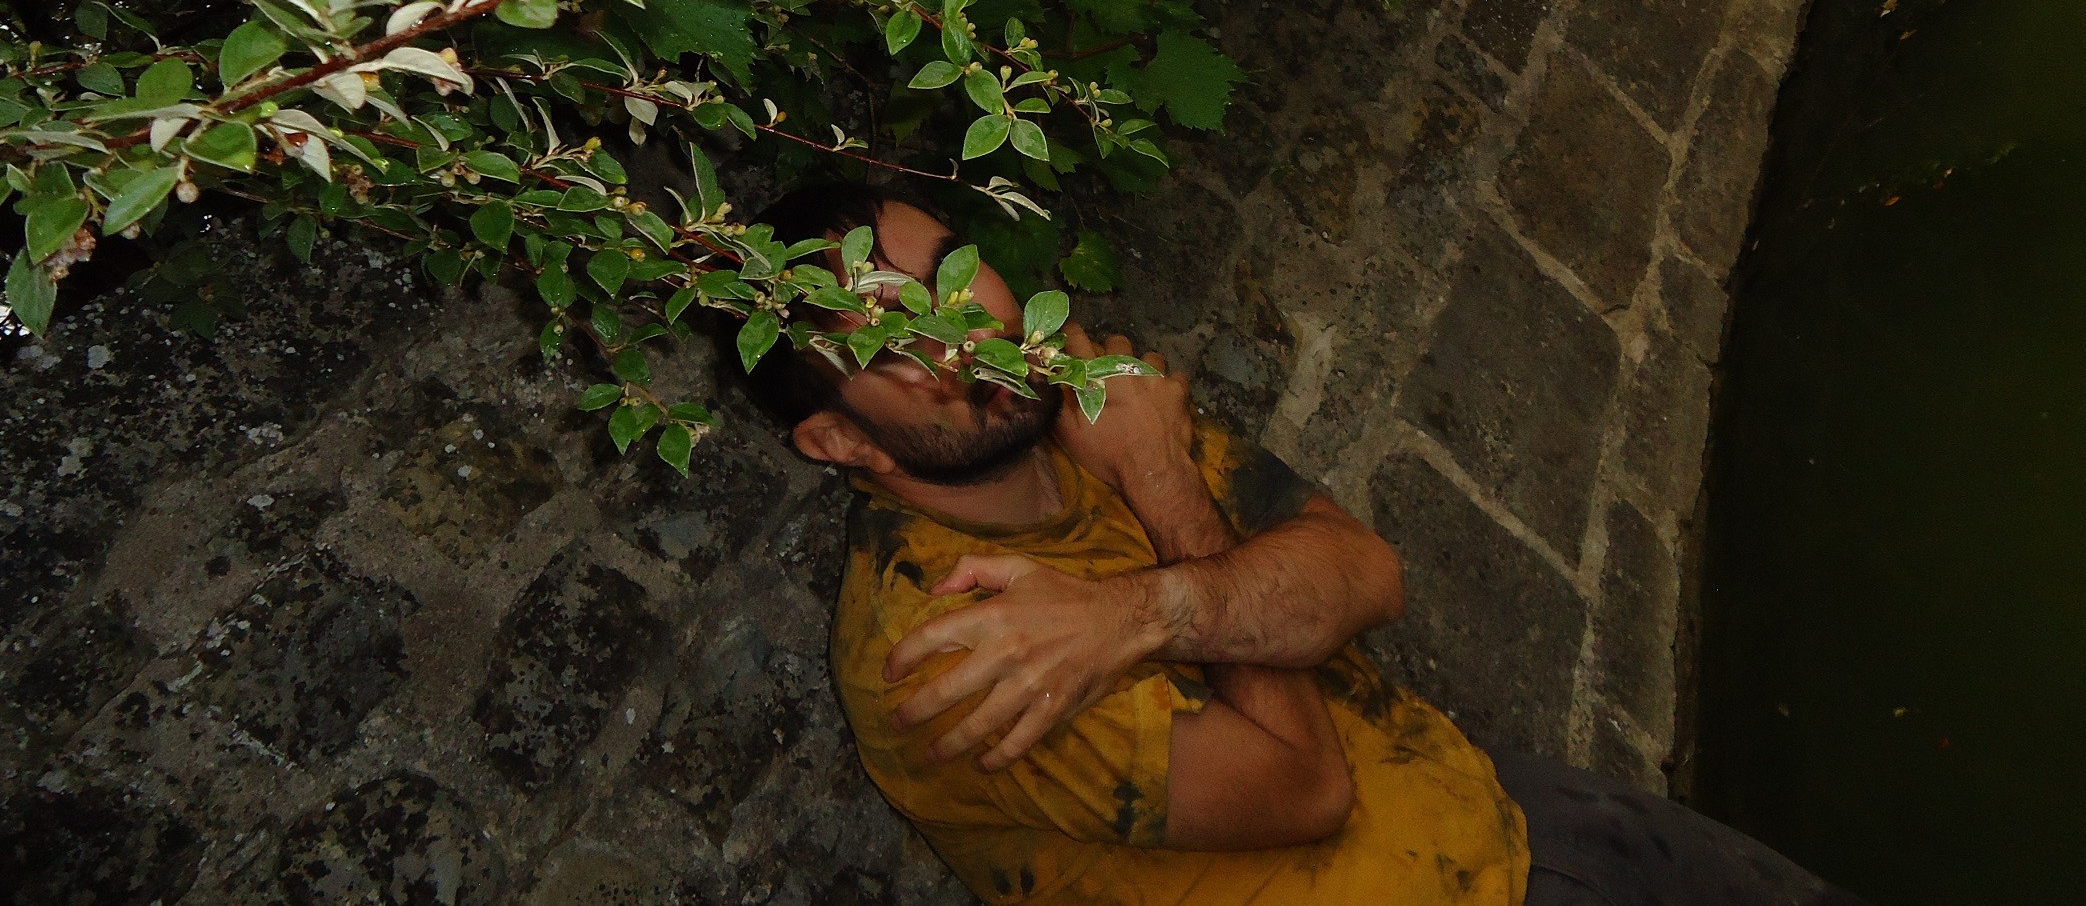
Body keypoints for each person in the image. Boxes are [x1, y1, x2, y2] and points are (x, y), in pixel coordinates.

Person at [730, 183, 1866, 906]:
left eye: (945, 277)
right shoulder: (943, 643)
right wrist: (1179, 508)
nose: (963, 335)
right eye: (890, 342)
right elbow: (1302, 784)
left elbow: (1365, 574)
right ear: (835, 437)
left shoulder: (1103, 416)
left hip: (1508, 813)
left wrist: (1147, 591)